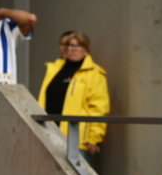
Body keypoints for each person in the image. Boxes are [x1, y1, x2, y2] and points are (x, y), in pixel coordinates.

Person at [36, 30, 108, 163]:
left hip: (77, 140)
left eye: (78, 46)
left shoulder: (94, 74)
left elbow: (99, 108)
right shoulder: (54, 69)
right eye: (70, 45)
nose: (73, 49)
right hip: (49, 134)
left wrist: (94, 138)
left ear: (86, 49)